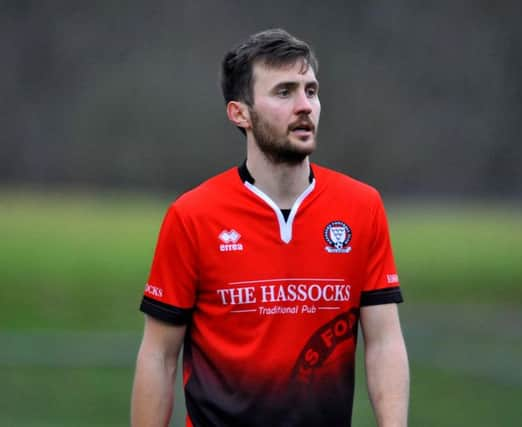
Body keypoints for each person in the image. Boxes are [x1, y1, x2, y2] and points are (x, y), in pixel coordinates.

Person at [131, 28, 409, 427]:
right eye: (284, 92)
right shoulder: (192, 215)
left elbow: (384, 342)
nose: (305, 106)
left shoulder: (362, 207)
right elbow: (158, 356)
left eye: (310, 91)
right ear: (239, 112)